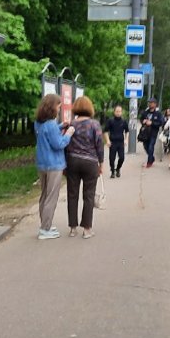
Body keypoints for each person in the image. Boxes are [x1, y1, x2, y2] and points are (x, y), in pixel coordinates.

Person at [34, 93, 75, 240]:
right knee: (51, 197)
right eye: (58, 106)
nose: (59, 109)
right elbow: (59, 144)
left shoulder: (39, 123)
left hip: (42, 164)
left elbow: (46, 133)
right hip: (54, 165)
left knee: (44, 195)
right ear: (52, 107)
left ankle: (45, 224)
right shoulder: (51, 124)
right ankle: (45, 229)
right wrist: (68, 133)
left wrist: (60, 126)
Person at [65, 96, 104, 239]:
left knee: (72, 194)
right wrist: (101, 163)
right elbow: (99, 144)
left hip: (73, 161)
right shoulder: (94, 124)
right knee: (88, 195)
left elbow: (66, 143)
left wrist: (66, 163)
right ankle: (87, 229)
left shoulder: (71, 124)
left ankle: (72, 229)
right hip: (90, 162)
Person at [103, 104, 128, 178]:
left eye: (120, 111)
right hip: (112, 142)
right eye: (117, 111)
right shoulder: (110, 121)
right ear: (114, 112)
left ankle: (118, 169)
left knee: (122, 158)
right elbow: (105, 131)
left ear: (121, 112)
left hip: (121, 142)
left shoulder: (124, 121)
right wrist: (107, 140)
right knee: (112, 158)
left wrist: (126, 139)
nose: (118, 113)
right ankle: (112, 172)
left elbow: (127, 131)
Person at [140, 97, 165, 168]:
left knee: (151, 147)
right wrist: (143, 121)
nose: (150, 104)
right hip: (145, 133)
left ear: (155, 104)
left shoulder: (158, 113)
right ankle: (152, 158)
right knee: (146, 147)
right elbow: (141, 119)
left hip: (153, 133)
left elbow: (161, 122)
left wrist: (152, 123)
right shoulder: (145, 112)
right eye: (149, 103)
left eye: (151, 103)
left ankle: (149, 162)